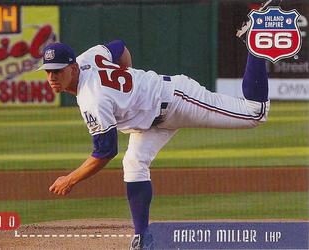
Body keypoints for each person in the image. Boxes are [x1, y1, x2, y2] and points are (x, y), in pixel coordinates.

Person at [39, 35, 269, 248]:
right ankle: (142, 236)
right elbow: (119, 46)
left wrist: (70, 179)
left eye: (57, 71)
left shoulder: (92, 99)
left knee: (255, 113)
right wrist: (128, 81)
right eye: (48, 71)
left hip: (176, 99)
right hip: (149, 122)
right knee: (134, 164)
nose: (52, 77)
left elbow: (106, 151)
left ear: (73, 67)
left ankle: (255, 41)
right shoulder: (87, 57)